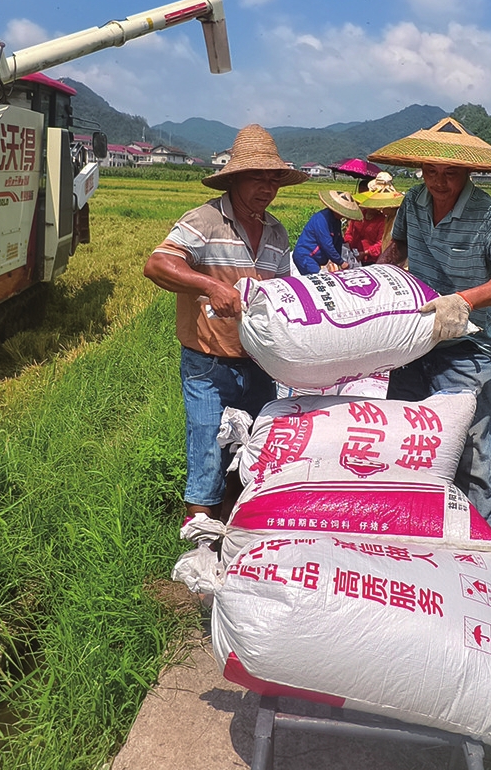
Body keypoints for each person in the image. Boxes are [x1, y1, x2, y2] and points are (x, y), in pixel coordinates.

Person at [369, 118, 491, 526]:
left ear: (468, 172)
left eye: (450, 173)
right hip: (415, 339)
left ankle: (479, 547)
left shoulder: (489, 215)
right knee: (404, 436)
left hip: (464, 346)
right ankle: (410, 526)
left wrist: (463, 300)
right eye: (431, 171)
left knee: (469, 454)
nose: (439, 182)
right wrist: (376, 277)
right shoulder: (413, 201)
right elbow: (398, 246)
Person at [144, 125, 309, 522]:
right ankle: (199, 535)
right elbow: (157, 264)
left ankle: (233, 529)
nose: (267, 188)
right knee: (207, 450)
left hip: (259, 362)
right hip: (209, 363)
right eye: (257, 178)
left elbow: (282, 292)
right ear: (234, 178)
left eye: (273, 180)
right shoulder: (206, 221)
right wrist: (210, 285)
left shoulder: (276, 232)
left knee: (250, 449)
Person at [293, 190, 361, 274]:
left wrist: (339, 260)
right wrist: (341, 262)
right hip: (306, 256)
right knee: (317, 278)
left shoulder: (337, 222)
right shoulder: (321, 219)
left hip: (317, 258)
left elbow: (338, 242)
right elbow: (326, 244)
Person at [345, 172, 403, 264]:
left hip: (373, 260)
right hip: (353, 255)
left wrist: (366, 253)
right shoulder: (359, 216)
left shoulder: (386, 220)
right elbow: (349, 232)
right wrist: (348, 245)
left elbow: (382, 244)